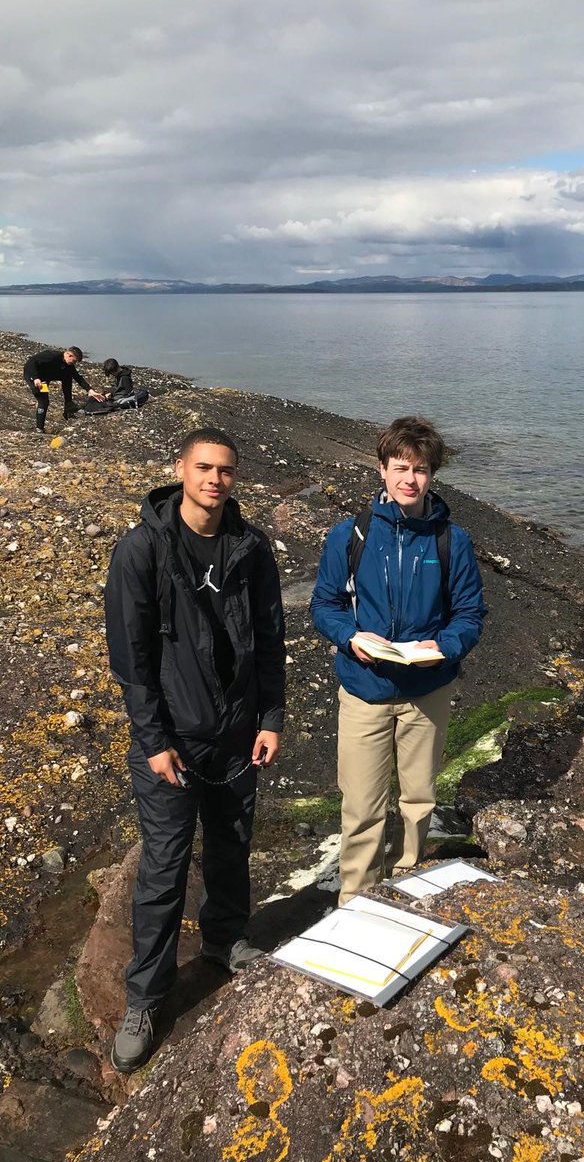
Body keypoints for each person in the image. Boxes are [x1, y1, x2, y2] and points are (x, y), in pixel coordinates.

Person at [104, 428, 285, 1072]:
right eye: (204, 467)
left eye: (226, 471)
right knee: (164, 867)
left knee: (233, 843)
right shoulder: (142, 549)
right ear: (180, 470)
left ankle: (226, 941)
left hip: (237, 733)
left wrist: (270, 717)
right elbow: (132, 658)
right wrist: (153, 740)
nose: (215, 480)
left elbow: (269, 636)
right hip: (171, 742)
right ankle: (146, 998)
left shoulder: (251, 546)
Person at [310, 416, 486, 906]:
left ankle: (407, 885)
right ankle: (357, 901)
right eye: (401, 467)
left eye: (422, 469)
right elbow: (324, 606)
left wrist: (445, 647)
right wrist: (350, 638)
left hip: (427, 691)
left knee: (418, 799)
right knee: (362, 805)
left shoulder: (453, 540)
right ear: (383, 469)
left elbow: (470, 613)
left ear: (433, 475)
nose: (411, 479)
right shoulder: (350, 535)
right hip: (364, 687)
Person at [23, 346, 106, 431]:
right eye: (74, 361)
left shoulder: (68, 365)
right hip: (34, 375)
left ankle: (68, 405)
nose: (74, 364)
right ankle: (39, 428)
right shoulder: (52, 356)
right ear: (69, 355)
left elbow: (77, 377)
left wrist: (90, 390)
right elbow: (31, 362)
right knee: (43, 401)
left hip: (46, 376)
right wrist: (36, 378)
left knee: (68, 375)